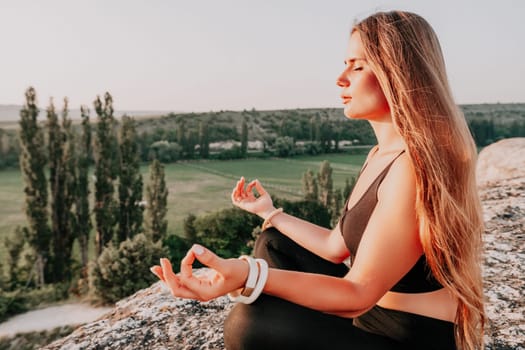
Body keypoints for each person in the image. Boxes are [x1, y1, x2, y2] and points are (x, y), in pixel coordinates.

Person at [150, 10, 485, 350]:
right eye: (345, 64)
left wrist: (248, 274)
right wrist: (270, 213)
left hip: (407, 337)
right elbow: (335, 247)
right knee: (274, 241)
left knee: (249, 326)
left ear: (399, 74)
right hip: (373, 316)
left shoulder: (412, 167)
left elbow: (357, 294)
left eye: (358, 66)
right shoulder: (380, 155)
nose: (341, 78)